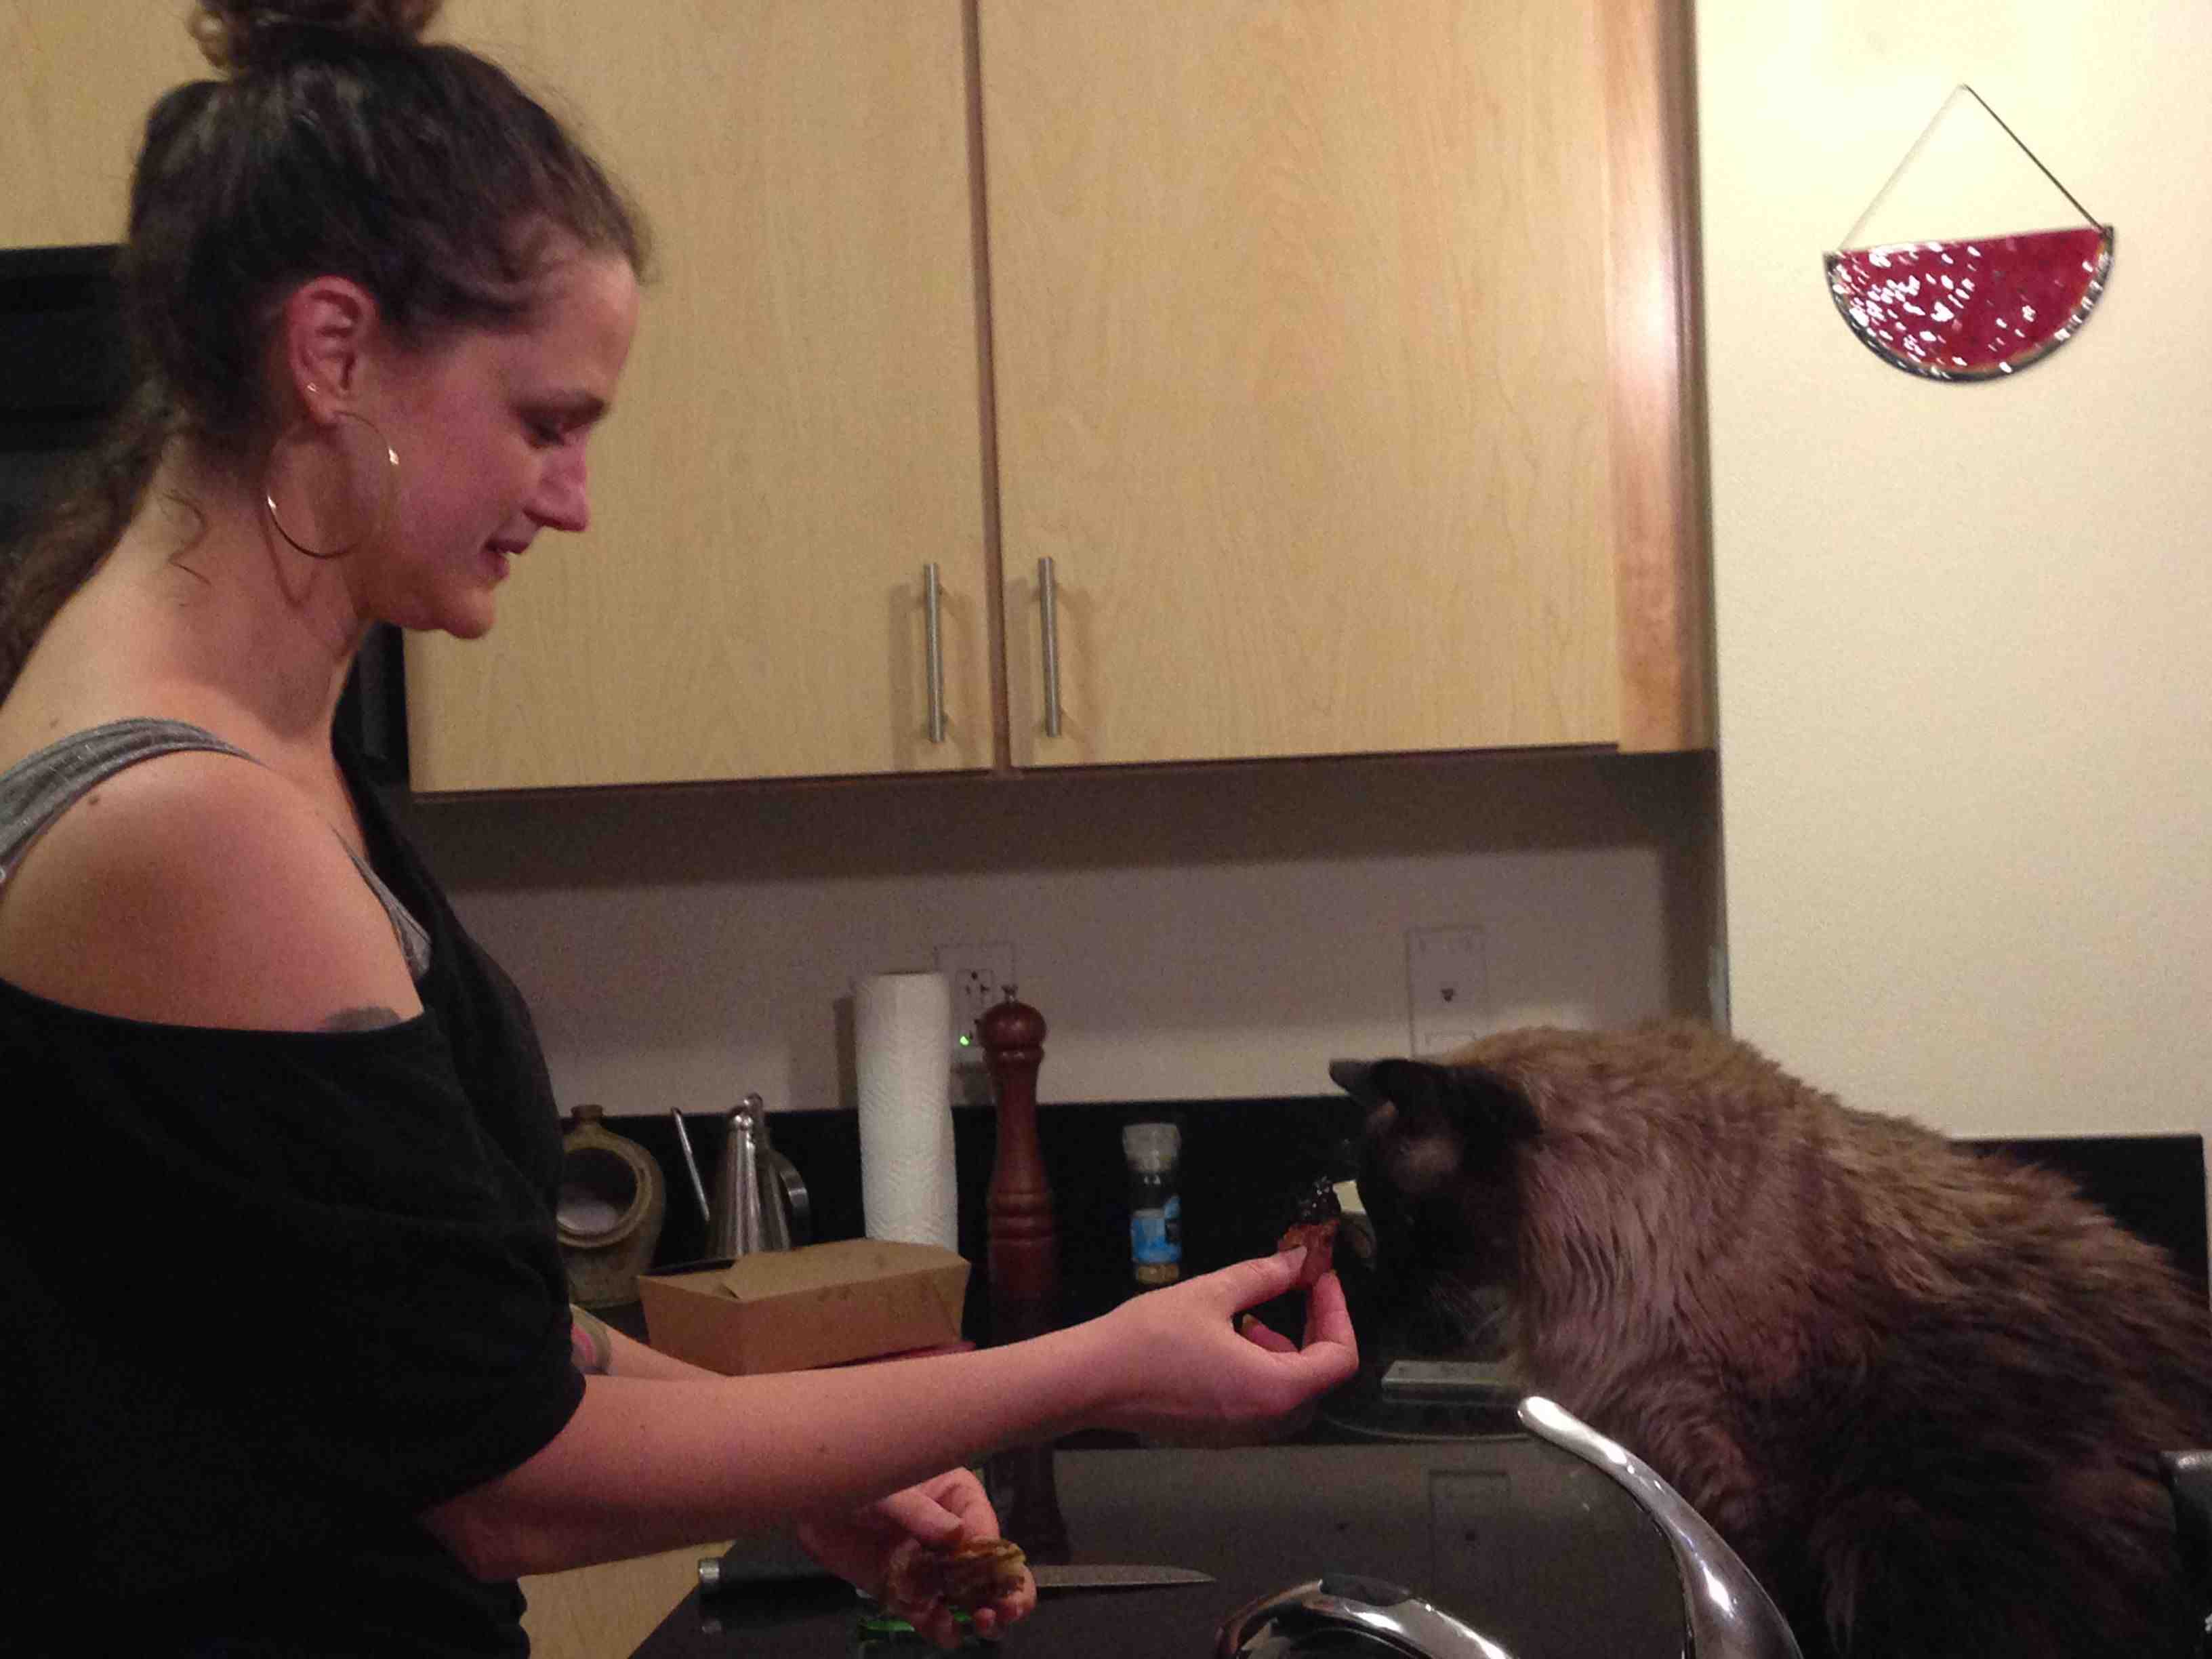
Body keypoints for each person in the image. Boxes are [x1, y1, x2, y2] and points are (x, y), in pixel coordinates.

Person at [0, 3, 1358, 1654]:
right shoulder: (191, 822)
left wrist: (815, 1462)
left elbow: (442, 1339)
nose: (573, 498)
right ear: (334, 353)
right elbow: (502, 1473)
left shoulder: (230, 743)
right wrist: (1096, 1368)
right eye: (546, 422)